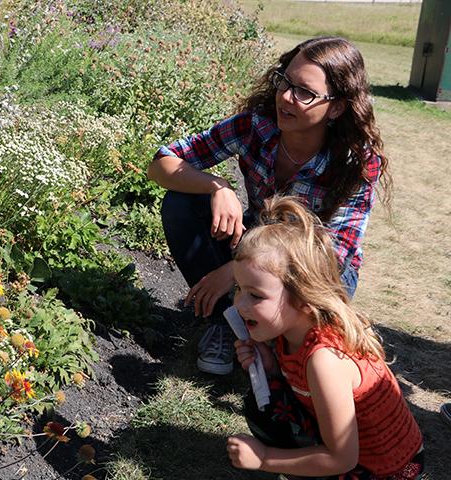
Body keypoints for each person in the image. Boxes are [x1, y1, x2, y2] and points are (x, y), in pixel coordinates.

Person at [147, 36, 391, 375]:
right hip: (259, 239)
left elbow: (336, 255)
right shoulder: (255, 127)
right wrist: (217, 185)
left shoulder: (356, 162)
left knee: (294, 357)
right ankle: (225, 322)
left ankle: (276, 345)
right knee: (181, 203)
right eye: (284, 82)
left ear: (336, 107)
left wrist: (234, 271)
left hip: (320, 265)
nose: (285, 98)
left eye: (304, 92)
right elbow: (162, 163)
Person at [227, 196, 424, 480]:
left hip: (388, 471)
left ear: (305, 298)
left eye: (255, 295)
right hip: (358, 457)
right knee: (264, 408)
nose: (239, 305)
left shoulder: (325, 360)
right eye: (238, 289)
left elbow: (342, 458)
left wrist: (264, 458)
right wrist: (270, 368)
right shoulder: (290, 332)